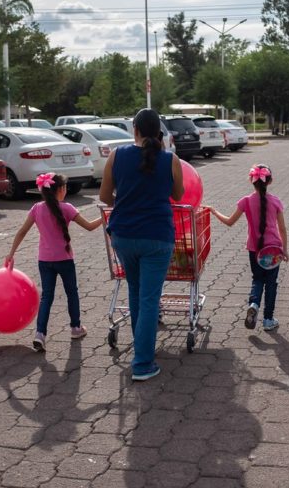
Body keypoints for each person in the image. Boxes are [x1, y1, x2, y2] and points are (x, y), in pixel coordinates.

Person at [99, 108, 184, 382]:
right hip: (157, 236)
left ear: (134, 129)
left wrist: (128, 201)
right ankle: (143, 363)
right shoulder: (170, 160)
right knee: (149, 299)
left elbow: (104, 196)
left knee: (136, 294)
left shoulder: (116, 155)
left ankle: (141, 353)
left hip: (123, 235)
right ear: (158, 131)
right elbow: (178, 194)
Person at [5, 173, 102, 352]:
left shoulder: (36, 208)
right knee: (71, 293)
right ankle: (75, 328)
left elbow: (21, 231)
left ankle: (40, 334)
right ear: (62, 189)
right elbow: (89, 226)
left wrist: (11, 253)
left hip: (44, 260)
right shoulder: (67, 208)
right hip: (65, 260)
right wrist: (106, 216)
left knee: (46, 297)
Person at [208, 164, 289, 332]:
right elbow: (282, 229)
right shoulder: (275, 201)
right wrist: (285, 249)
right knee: (271, 283)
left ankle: (254, 304)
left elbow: (230, 222)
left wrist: (214, 212)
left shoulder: (245, 201)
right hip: (274, 250)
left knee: (257, 279)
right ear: (270, 181)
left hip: (255, 249)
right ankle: (268, 320)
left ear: (251, 181)